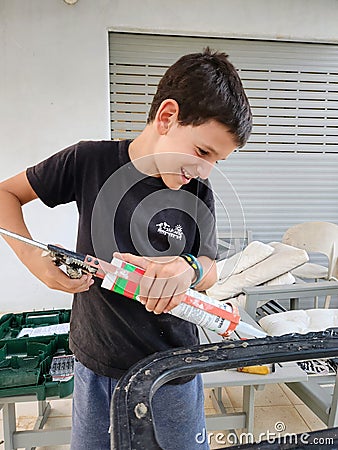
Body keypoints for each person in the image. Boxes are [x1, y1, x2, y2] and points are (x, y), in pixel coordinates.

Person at [0, 47, 252, 449]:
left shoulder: (199, 190)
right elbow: (5, 195)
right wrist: (35, 261)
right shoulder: (89, 160)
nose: (204, 171)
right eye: (203, 152)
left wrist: (187, 269)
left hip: (173, 370)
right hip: (96, 365)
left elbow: (209, 265)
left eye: (217, 161)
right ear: (167, 116)